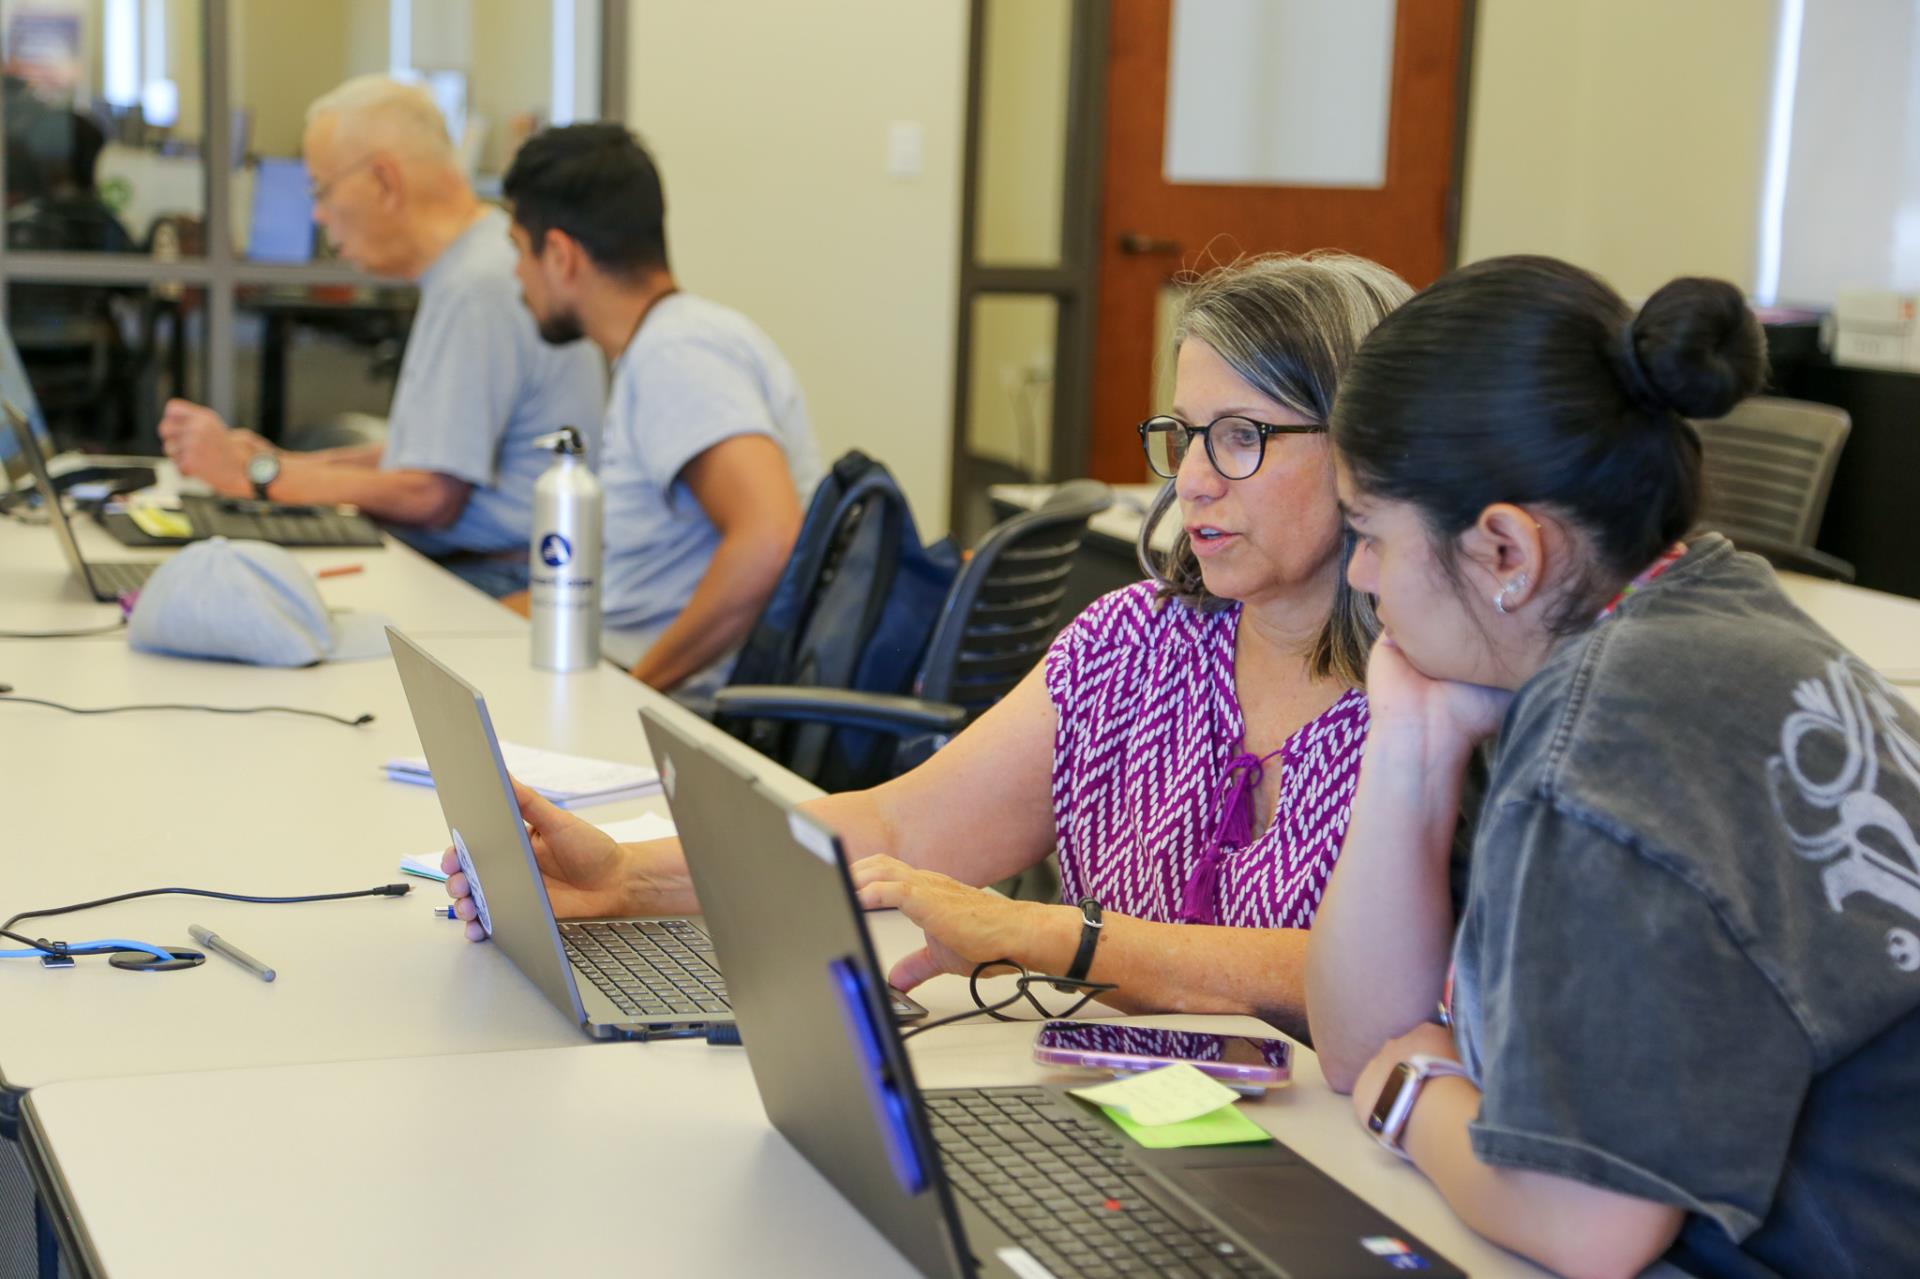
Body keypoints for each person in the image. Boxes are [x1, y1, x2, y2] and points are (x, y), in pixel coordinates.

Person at [447, 252, 1412, 1039]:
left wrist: (1046, 934)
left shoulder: (1434, 706)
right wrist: (625, 875)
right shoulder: (1135, 647)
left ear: (1365, 450)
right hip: (1115, 1125)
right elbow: (900, 831)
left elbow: (1362, 978)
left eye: (1241, 436)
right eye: (1184, 435)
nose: (1194, 480)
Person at [1308, 255, 1920, 1278]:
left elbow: (1588, 1223)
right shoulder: (1715, 607)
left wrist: (1416, 1098)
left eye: (1369, 534)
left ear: (1506, 550)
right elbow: (1357, 1039)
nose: (1362, 580)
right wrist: (1409, 748)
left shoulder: (1609, 732)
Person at [158, 76, 605, 597]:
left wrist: (256, 475)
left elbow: (429, 494)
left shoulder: (478, 286)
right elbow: (429, 455)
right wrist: (276, 463)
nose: (317, 215)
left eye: (321, 190)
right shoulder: (472, 267)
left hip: (496, 582)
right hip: (479, 565)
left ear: (385, 182)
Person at [498, 123, 821, 697]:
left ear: (560, 254)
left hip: (666, 701)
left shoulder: (676, 356)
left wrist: (638, 696)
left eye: (518, 251)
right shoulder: (675, 340)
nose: (516, 276)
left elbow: (770, 534)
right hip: (609, 654)